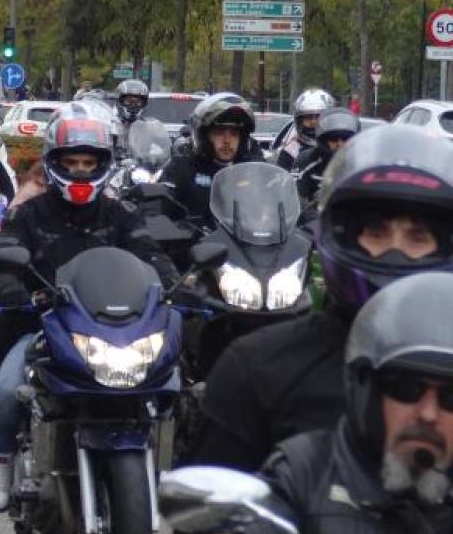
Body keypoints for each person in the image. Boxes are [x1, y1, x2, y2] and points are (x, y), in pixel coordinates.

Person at [187, 124, 453, 471]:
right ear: (339, 235)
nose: (395, 252)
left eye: (418, 236)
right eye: (376, 233)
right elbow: (209, 509)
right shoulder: (257, 370)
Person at [0, 106, 178, 509]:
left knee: (172, 377)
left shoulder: (121, 213)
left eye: (89, 163)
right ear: (54, 164)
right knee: (4, 390)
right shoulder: (28, 214)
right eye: (72, 162)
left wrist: (174, 283)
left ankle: (169, 465)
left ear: (102, 165)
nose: (81, 171)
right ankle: (2, 458)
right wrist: (15, 291)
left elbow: (149, 253)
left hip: (115, 327)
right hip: (47, 323)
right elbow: (4, 258)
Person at [254, 271, 453, 533]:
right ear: (366, 390)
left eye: (450, 397)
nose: (428, 413)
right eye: (406, 389)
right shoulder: (303, 477)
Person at [161, 92, 262, 226]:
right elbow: (158, 207)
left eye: (234, 134)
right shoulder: (183, 167)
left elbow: (273, 205)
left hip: (247, 243)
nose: (227, 141)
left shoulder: (252, 170)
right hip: (193, 243)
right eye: (219, 133)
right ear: (203, 136)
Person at [295, 107, 360, 206]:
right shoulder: (308, 161)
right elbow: (294, 196)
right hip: (318, 217)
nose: (340, 144)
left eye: (346, 139)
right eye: (333, 139)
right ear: (323, 141)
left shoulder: (364, 164)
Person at [277, 88, 335, 171]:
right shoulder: (291, 150)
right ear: (299, 121)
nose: (313, 122)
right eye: (308, 117)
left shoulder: (339, 145)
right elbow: (281, 178)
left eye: (318, 117)